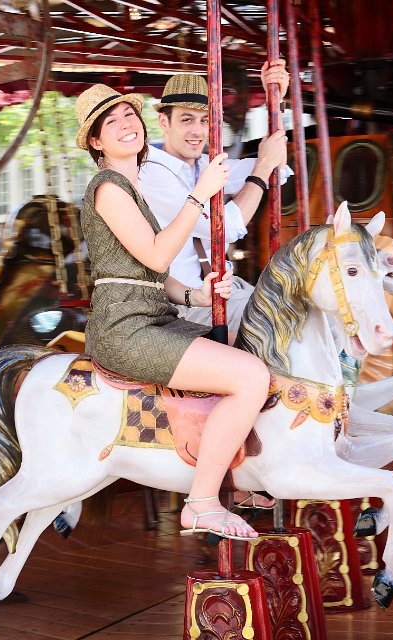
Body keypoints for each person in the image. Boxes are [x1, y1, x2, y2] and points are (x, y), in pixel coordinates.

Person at [75, 83, 270, 540]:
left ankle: (234, 473)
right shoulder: (108, 188)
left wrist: (195, 298)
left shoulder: (132, 188)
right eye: (111, 121)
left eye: (129, 115)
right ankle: (202, 503)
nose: (126, 124)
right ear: (96, 142)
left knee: (246, 353)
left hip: (154, 315)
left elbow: (153, 274)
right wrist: (199, 195)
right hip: (125, 328)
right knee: (250, 377)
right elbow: (160, 255)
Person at [139, 61, 290, 335]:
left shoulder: (200, 165)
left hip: (219, 293)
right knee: (281, 329)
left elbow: (277, 168)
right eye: (187, 119)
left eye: (205, 120)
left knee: (304, 309)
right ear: (164, 122)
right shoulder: (151, 174)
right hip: (182, 306)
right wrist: (262, 169)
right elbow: (227, 228)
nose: (198, 131)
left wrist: (275, 100)